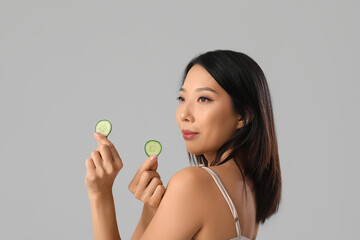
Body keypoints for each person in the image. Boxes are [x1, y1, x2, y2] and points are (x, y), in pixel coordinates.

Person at [84, 50, 282, 240]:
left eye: (204, 99)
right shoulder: (249, 188)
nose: (184, 115)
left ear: (243, 116)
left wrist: (100, 195)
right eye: (182, 98)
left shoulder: (193, 183)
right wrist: (151, 209)